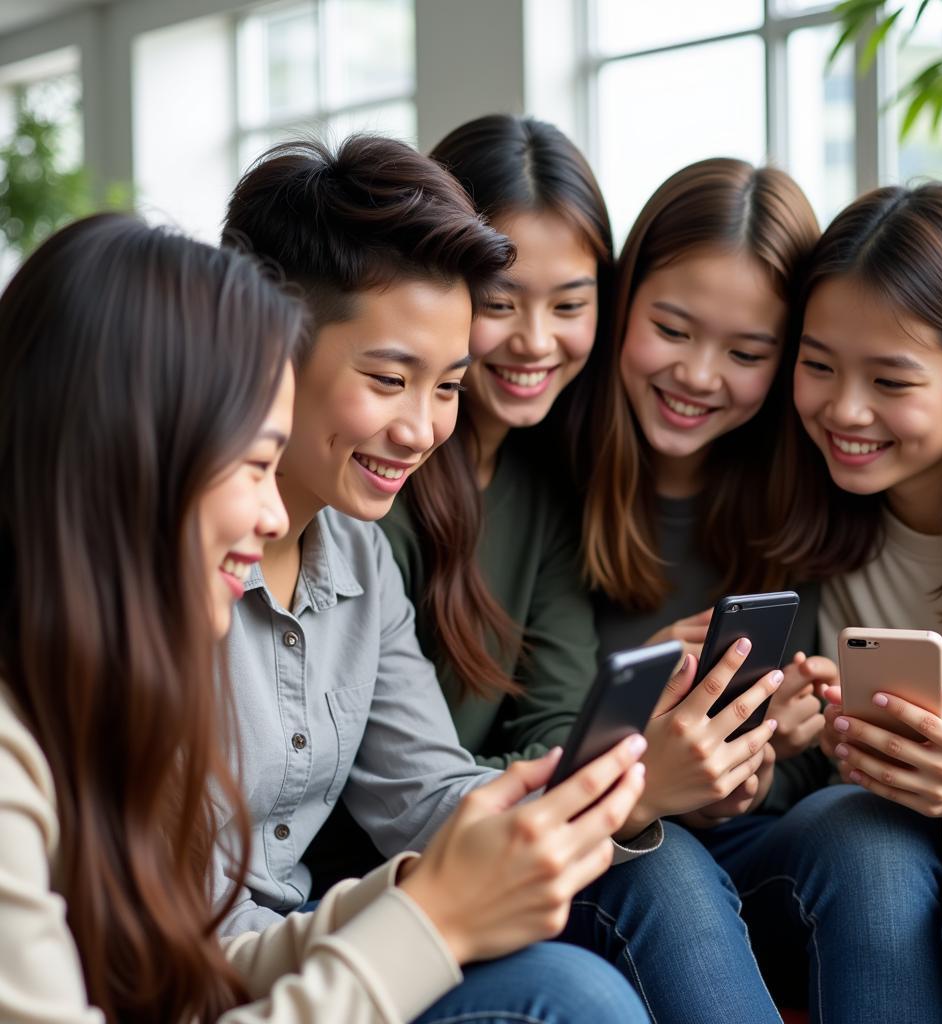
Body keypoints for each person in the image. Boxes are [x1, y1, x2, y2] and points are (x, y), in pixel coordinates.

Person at [0, 212, 650, 1024]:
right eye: (252, 464)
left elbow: (174, 970)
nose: (276, 515)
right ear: (130, 459)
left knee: (577, 976)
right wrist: (433, 920)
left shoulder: (90, 669)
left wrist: (422, 894)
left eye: (448, 383)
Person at [216, 134, 658, 1021]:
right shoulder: (163, 566)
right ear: (265, 346)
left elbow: (427, 794)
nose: (422, 430)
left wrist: (623, 773)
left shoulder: (355, 554)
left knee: (610, 935)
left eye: (449, 386)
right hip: (211, 974)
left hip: (307, 938)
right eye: (389, 379)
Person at [382, 117, 794, 1023]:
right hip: (401, 871)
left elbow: (556, 716)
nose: (534, 341)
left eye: (569, 304)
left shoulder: (539, 473)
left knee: (667, 857)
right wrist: (638, 762)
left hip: (512, 831)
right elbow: (407, 790)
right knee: (657, 862)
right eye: (501, 301)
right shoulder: (385, 478)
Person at [705, 182, 942, 1023]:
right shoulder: (800, 524)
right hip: (864, 862)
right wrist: (776, 737)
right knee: (861, 827)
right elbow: (791, 793)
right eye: (817, 366)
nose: (844, 410)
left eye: (891, 379)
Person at [580, 157, 833, 819]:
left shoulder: (806, 493)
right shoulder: (554, 475)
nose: (696, 375)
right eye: (671, 330)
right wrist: (635, 694)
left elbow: (803, 770)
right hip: (604, 819)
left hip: (748, 830)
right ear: (621, 301)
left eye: (745, 354)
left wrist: (763, 753)